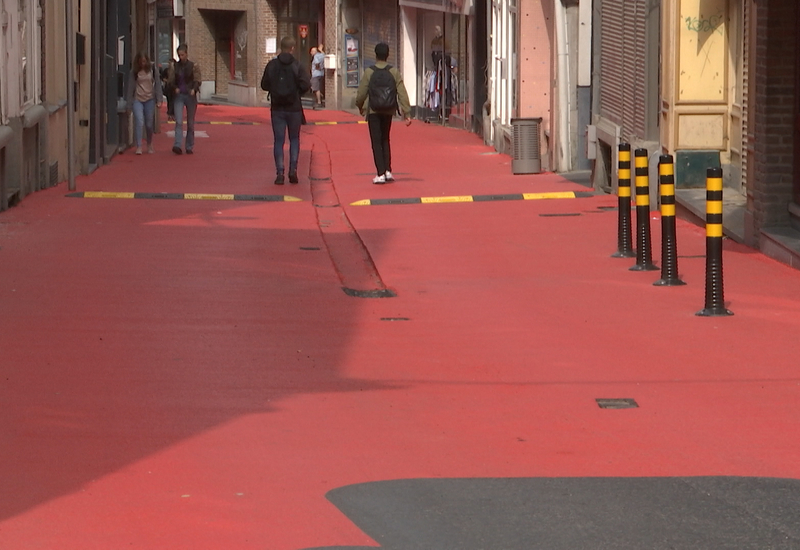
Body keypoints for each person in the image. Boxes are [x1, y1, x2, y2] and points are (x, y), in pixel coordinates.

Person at [355, 42, 412, 185]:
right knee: (385, 139)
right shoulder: (393, 72)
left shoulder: (369, 72)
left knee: (376, 141)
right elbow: (402, 92)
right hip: (388, 110)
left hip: (373, 110)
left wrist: (360, 106)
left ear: (375, 55)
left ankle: (379, 173)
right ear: (388, 55)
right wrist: (407, 112)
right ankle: (387, 170)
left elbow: (361, 92)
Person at [260, 37, 311, 185]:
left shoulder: (272, 65)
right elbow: (305, 84)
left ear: (281, 48)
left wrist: (275, 89)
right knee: (294, 139)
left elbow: (264, 84)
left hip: (277, 107)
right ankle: (293, 170)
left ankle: (280, 172)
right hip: (294, 107)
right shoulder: (297, 65)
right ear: (293, 48)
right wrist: (296, 93)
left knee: (279, 140)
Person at [167, 44, 201, 155]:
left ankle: (189, 146)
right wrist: (174, 88)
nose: (180, 57)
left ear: (186, 54)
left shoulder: (193, 66)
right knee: (179, 121)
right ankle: (177, 144)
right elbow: (170, 81)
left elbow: (197, 79)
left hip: (190, 95)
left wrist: (194, 89)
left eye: (182, 55)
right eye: (179, 55)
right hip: (179, 95)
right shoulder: (174, 66)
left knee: (190, 123)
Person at [126, 52, 163, 155]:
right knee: (139, 121)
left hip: (149, 99)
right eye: (140, 62)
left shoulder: (152, 69)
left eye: (144, 61)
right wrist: (129, 105)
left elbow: (158, 84)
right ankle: (139, 146)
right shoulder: (134, 72)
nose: (143, 63)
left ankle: (150, 143)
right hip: (138, 99)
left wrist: (159, 99)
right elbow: (130, 88)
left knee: (149, 123)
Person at [311, 44, 325, 109]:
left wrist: (318, 68)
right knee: (318, 87)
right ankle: (321, 97)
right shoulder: (322, 55)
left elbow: (317, 64)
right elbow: (324, 55)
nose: (311, 53)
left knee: (316, 88)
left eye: (312, 51)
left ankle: (319, 102)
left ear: (316, 51)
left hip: (316, 74)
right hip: (321, 74)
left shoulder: (316, 56)